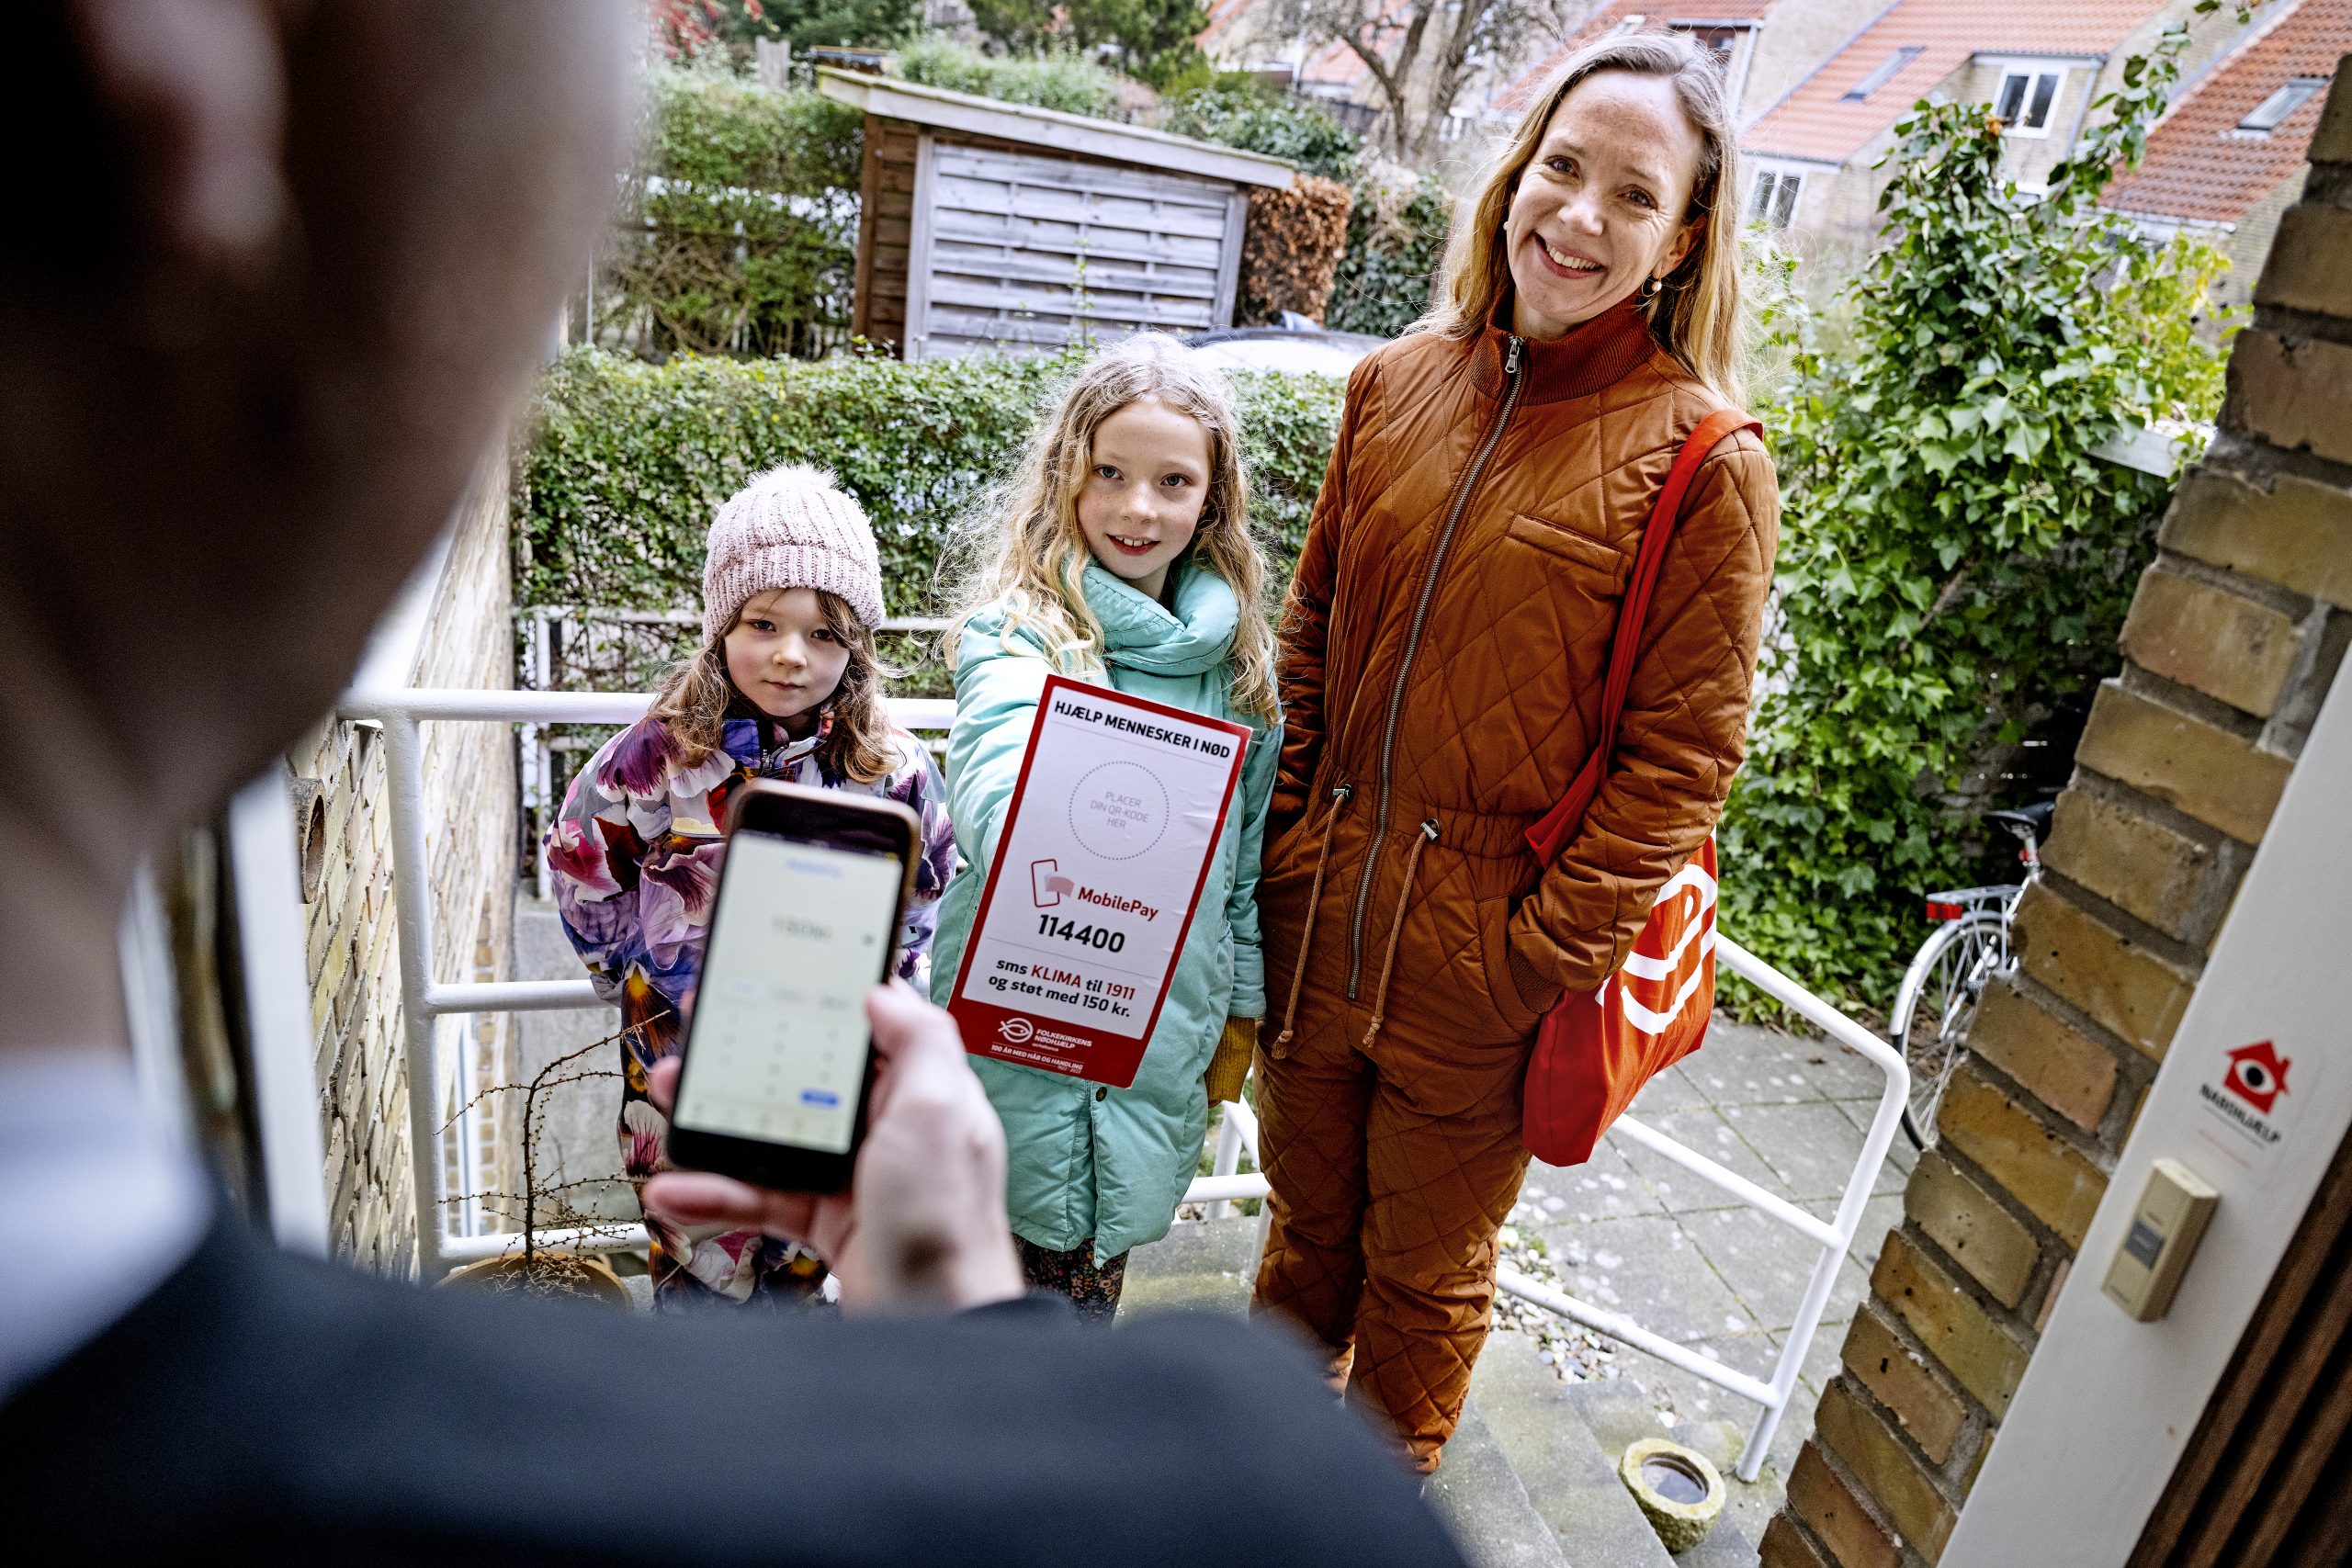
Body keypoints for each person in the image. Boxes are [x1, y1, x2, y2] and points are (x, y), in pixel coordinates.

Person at [0, 6, 1464, 1562]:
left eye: (819, 628)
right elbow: (600, 851)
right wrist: (976, 1358)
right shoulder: (1249, 1508)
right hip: (708, 1112)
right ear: (172, 73)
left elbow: (947, 862)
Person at [1249, 31, 1781, 1473]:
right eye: (1562, 168)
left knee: (1420, 1292)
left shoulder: (1703, 459)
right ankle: (1244, 1500)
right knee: (1299, 1243)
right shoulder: (1393, 387)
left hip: (1480, 973)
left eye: (1632, 193)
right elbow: (1310, 627)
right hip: (1316, 923)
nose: (1580, 216)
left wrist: (1528, 952)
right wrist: (1288, 838)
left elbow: (1681, 763)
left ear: (1680, 239)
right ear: (1511, 181)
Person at [930, 336, 1281, 1320]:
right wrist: (1040, 816)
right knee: (979, 1317)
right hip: (1019, 1029)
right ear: (1068, 480)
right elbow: (994, 777)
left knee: (1085, 1303)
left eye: (1172, 481)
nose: (1138, 507)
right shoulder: (1025, 634)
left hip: (1158, 1039)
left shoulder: (1240, 674)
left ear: (1210, 500)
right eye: (1110, 474)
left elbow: (1241, 874)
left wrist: (1240, 1014)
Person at [549, 465, 957, 1308]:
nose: (789, 654)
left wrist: (892, 996)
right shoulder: (658, 755)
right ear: (720, 625)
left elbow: (924, 893)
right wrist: (631, 970)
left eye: (821, 633)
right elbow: (582, 859)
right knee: (693, 1262)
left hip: (828, 1059)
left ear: (856, 644)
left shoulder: (894, 765)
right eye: (762, 622)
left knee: (808, 1263)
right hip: (679, 1055)